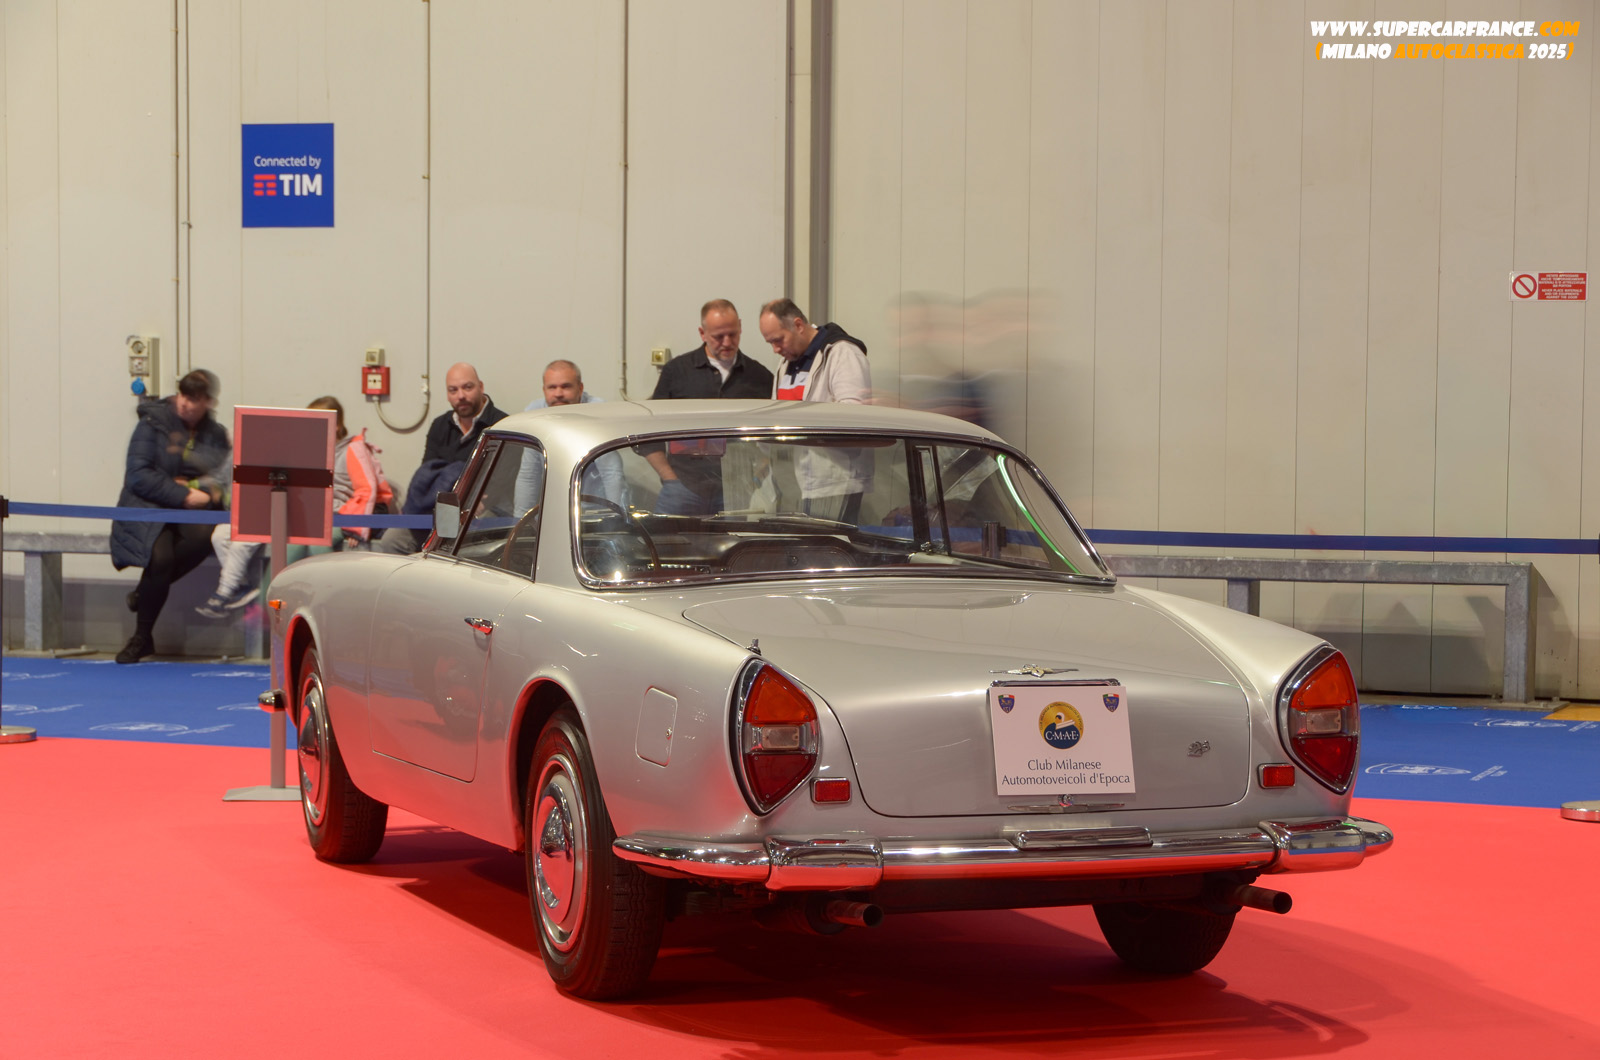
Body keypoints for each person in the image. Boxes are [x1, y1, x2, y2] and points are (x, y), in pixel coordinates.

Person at [196, 395, 395, 618]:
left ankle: (324, 604)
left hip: (341, 516)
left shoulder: (353, 449)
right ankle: (265, 606)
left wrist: (356, 527)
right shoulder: (307, 451)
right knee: (284, 547)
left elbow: (366, 490)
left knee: (317, 546)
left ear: (336, 425)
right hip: (309, 516)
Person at [110, 369, 231, 663]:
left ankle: (144, 592)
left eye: (194, 398)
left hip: (192, 509)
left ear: (209, 402)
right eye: (183, 395)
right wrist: (183, 494)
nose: (185, 403)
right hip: (147, 506)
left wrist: (204, 490)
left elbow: (222, 477)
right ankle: (142, 638)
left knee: (202, 539)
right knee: (161, 559)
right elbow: (138, 475)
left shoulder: (216, 434)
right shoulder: (152, 423)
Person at [642, 300, 775, 515]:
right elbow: (647, 430)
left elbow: (775, 436)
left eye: (732, 334)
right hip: (683, 485)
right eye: (718, 336)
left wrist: (758, 474)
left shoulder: (759, 377)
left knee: (736, 538)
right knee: (668, 537)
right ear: (702, 333)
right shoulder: (677, 372)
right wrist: (668, 476)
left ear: (740, 327)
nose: (727, 342)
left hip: (736, 489)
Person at [758, 298, 874, 521]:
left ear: (798, 325)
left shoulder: (842, 353)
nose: (775, 349)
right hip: (791, 483)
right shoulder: (785, 364)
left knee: (826, 543)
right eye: (770, 343)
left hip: (832, 482)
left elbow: (855, 416)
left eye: (778, 340)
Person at [374, 362, 506, 554]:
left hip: (481, 511)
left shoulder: (502, 424)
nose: (461, 395)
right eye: (453, 390)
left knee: (463, 542)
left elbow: (501, 481)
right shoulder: (439, 425)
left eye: (467, 387)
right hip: (438, 508)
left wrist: (471, 496)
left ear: (481, 387)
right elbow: (426, 475)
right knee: (392, 540)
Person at [515, 360, 624, 510]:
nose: (558, 394)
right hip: (553, 509)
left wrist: (618, 516)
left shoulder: (598, 411)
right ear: (544, 390)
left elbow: (611, 472)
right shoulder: (533, 413)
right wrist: (519, 518)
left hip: (596, 509)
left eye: (566, 386)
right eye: (552, 387)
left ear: (580, 388)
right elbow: (529, 474)